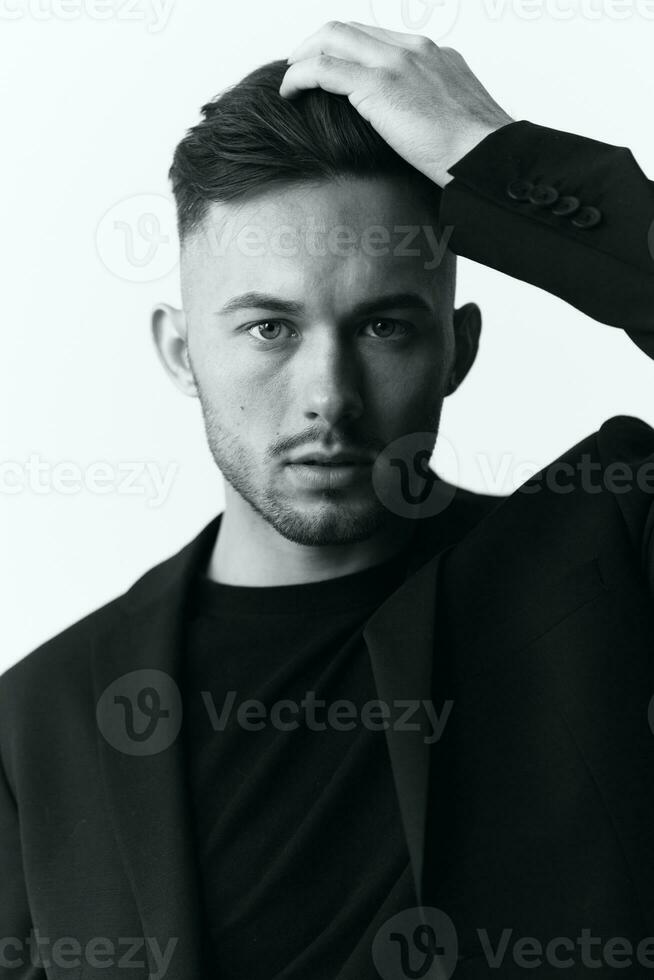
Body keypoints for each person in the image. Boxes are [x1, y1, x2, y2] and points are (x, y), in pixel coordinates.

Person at [2, 20, 654, 980]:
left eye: (385, 325)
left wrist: (499, 162)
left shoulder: (609, 566)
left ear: (458, 349)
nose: (329, 397)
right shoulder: (42, 724)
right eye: (268, 327)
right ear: (182, 352)